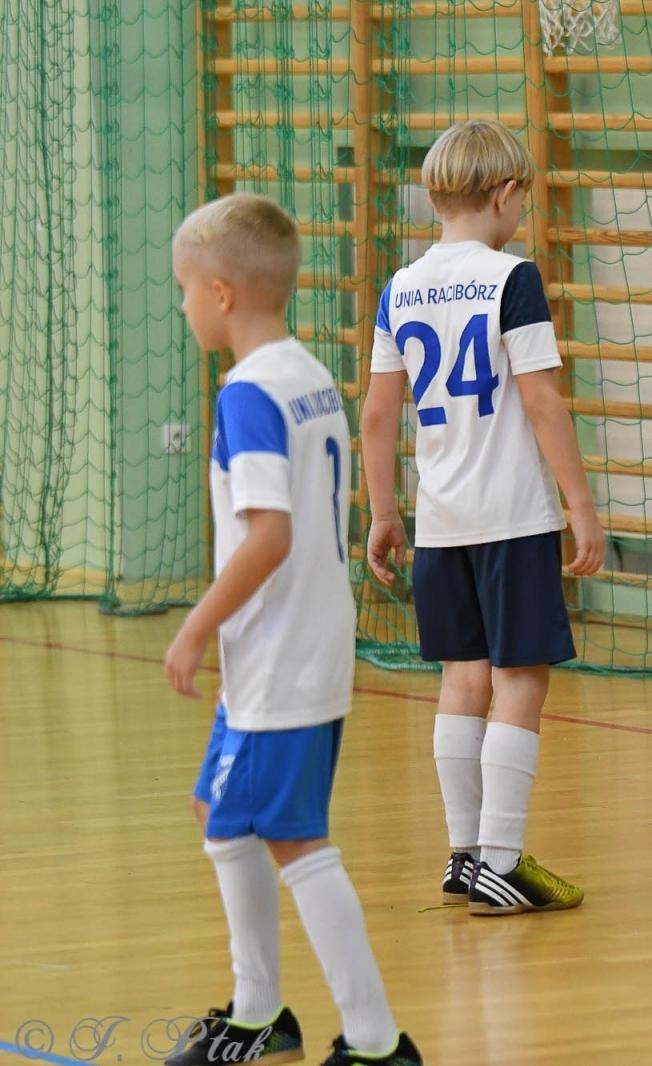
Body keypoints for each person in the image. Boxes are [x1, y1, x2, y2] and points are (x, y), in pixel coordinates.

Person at [163, 192, 423, 1065]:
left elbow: (268, 534)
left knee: (293, 837)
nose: (184, 305)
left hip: (280, 651)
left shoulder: (248, 395)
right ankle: (259, 1010)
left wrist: (196, 627)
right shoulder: (310, 376)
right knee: (221, 812)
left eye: (186, 290)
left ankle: (379, 1042)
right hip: (293, 643)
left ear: (223, 292)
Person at [360, 119, 604, 915]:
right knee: (519, 679)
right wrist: (581, 504)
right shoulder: (512, 277)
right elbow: (541, 399)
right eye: (521, 198)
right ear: (504, 194)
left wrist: (384, 512)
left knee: (461, 679)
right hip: (511, 515)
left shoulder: (400, 287)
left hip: (441, 519)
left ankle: (465, 854)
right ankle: (501, 857)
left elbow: (376, 415)